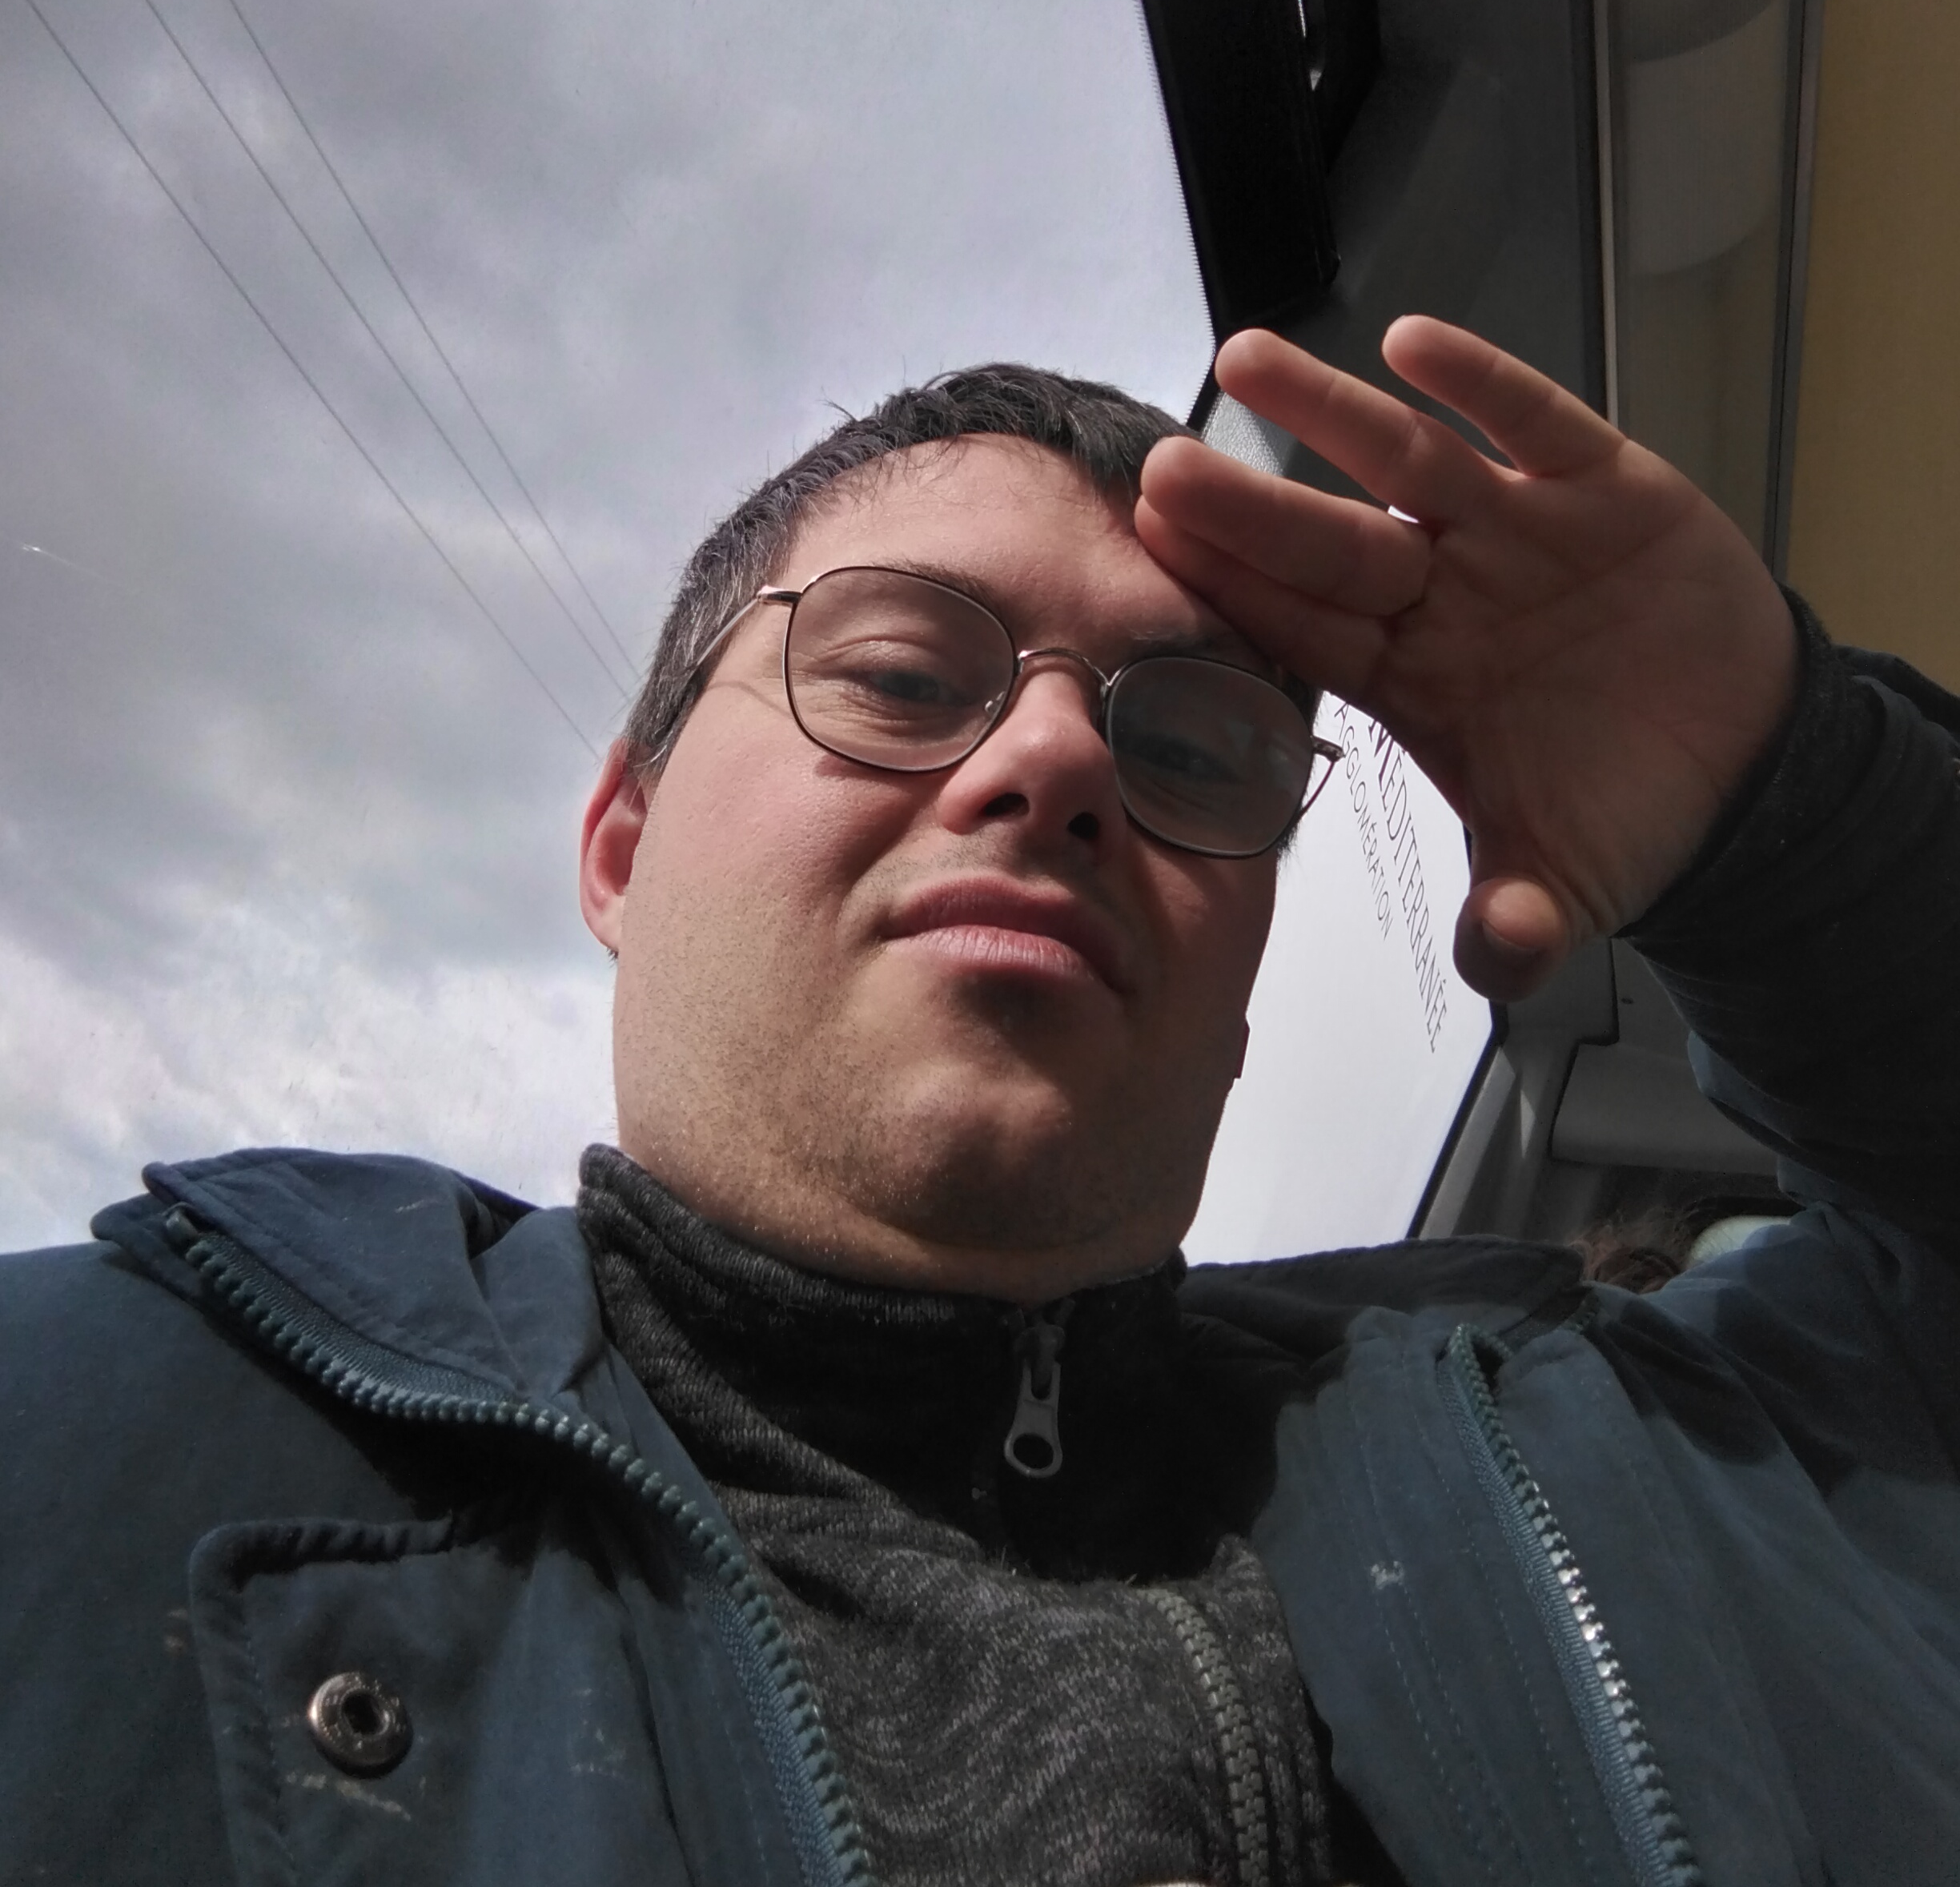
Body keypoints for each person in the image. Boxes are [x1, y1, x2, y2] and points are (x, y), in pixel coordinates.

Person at [3, 318, 1957, 1887]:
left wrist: (1798, 817)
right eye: (903, 673)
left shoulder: (1672, 1457)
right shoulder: (83, 1423)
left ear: (1241, 999)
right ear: (620, 845)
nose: (1055, 761)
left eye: (1190, 745)